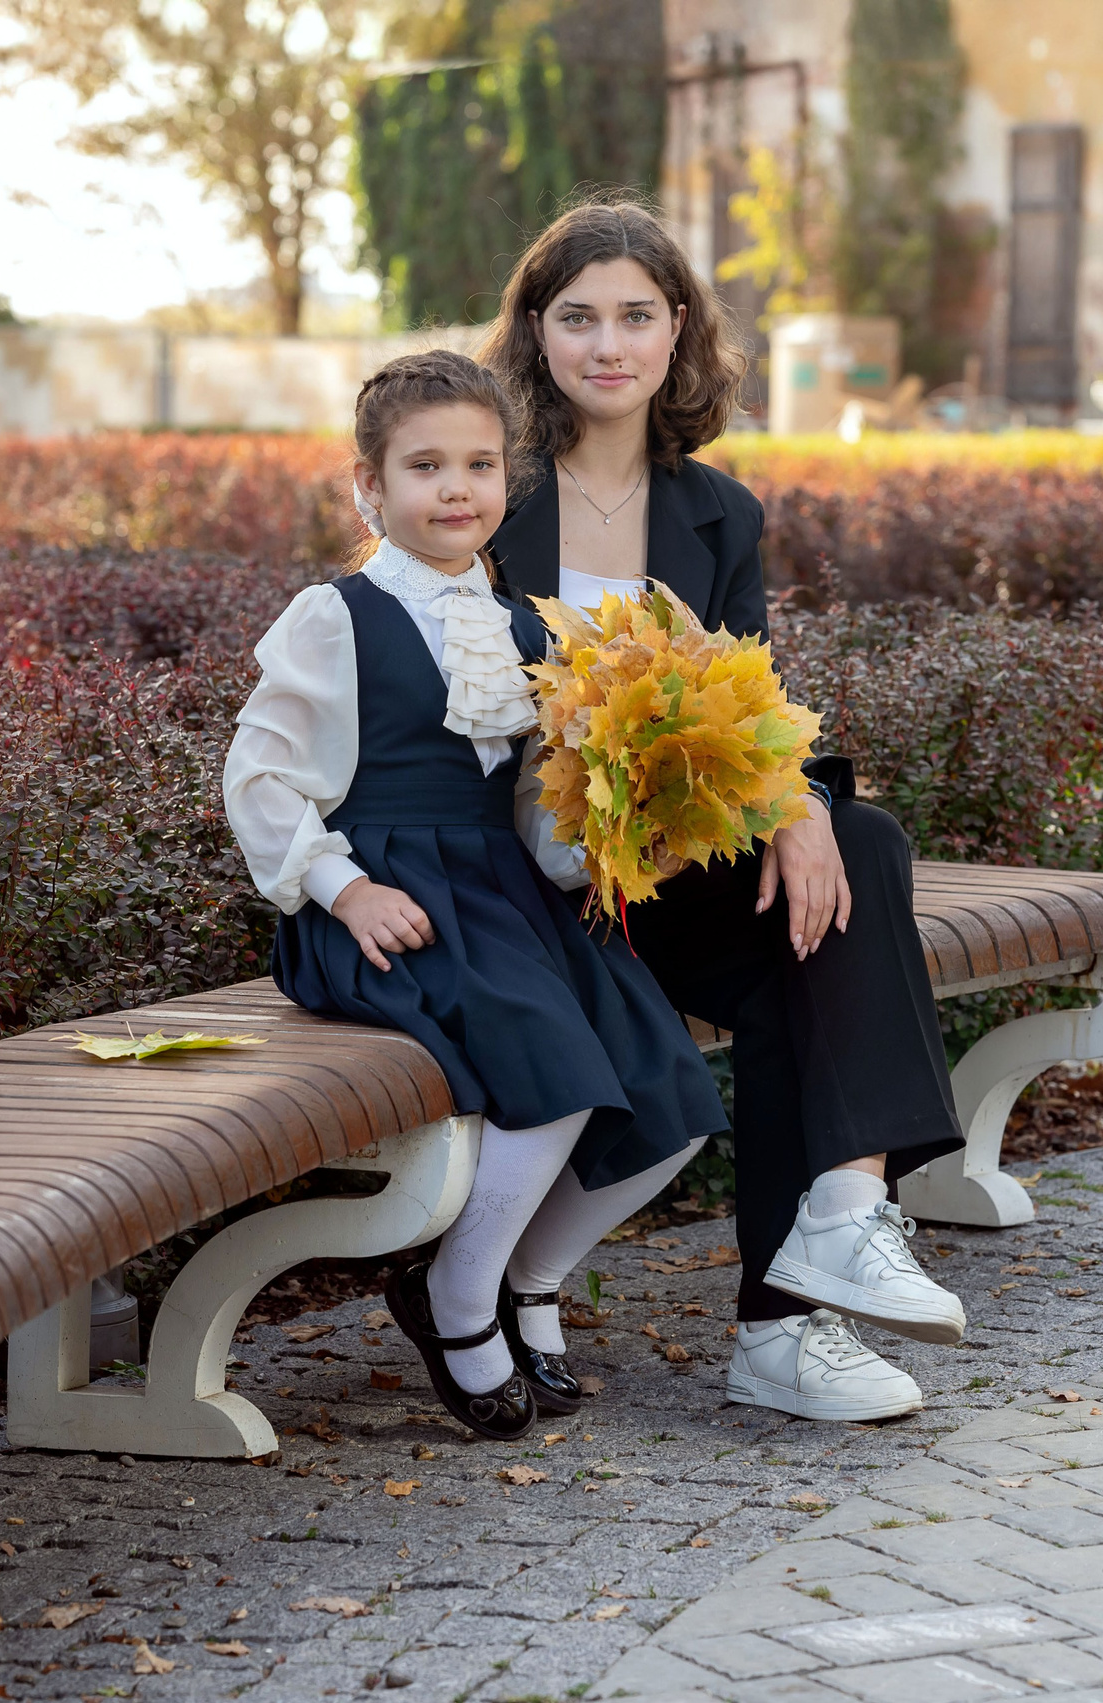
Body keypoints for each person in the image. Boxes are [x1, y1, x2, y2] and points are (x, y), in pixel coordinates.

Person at [481, 197, 971, 1423]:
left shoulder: (719, 513)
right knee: (804, 953)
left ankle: (835, 1228)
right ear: (535, 331)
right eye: (578, 315)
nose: (608, 344)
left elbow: (741, 697)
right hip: (530, 874)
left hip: (668, 865)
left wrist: (795, 798)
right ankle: (798, 1300)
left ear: (677, 329)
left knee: (849, 854)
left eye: (636, 316)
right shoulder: (493, 492)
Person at [222, 349, 729, 1441]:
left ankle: (527, 1277)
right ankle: (455, 1298)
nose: (456, 489)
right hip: (388, 906)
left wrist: (615, 844)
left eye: (480, 464)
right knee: (550, 1073)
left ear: (508, 478)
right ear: (369, 484)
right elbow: (259, 777)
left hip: (504, 901)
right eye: (424, 466)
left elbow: (539, 812)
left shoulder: (528, 630)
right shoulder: (336, 616)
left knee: (669, 1088)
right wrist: (342, 888)